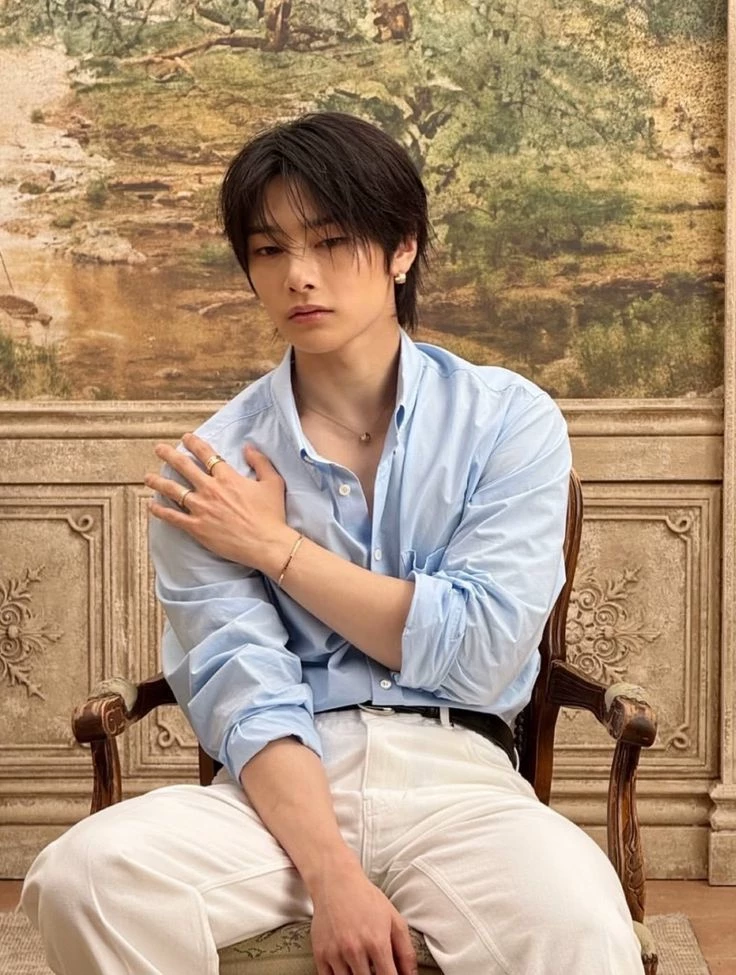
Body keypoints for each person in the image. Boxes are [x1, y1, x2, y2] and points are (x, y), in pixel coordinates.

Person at [21, 111, 644, 975]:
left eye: (331, 240)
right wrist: (333, 874)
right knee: (82, 877)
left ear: (402, 249)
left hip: (461, 778)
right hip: (279, 789)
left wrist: (275, 546)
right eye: (268, 249)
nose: (298, 275)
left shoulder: (508, 421)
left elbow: (479, 652)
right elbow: (245, 693)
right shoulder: (211, 466)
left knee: (579, 921)